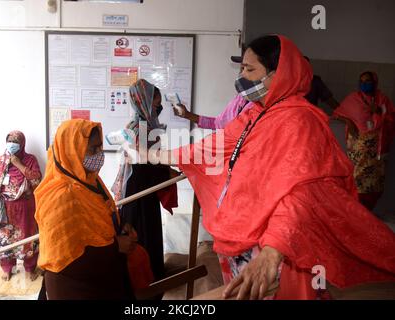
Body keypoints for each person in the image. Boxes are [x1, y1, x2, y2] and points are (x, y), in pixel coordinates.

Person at [152, 35, 395, 299]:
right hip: (246, 237)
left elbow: (300, 195)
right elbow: (214, 145)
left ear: (277, 75)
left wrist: (273, 249)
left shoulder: (300, 123)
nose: (242, 75)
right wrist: (156, 155)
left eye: (249, 69)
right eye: (242, 67)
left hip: (274, 248)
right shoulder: (256, 113)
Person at [34, 119, 137, 300]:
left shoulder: (89, 180)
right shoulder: (60, 197)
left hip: (101, 279)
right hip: (75, 289)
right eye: (92, 149)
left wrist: (120, 226)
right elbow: (63, 259)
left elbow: (100, 215)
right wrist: (116, 247)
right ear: (71, 150)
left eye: (100, 148)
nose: (99, 154)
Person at [112, 79, 179, 284]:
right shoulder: (141, 128)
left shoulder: (143, 124)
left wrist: (168, 170)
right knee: (142, 234)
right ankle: (147, 279)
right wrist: (168, 173)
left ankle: (151, 274)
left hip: (143, 188)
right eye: (156, 103)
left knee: (147, 231)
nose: (159, 107)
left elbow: (151, 160)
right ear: (144, 102)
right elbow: (143, 166)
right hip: (139, 192)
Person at [0, 130, 42, 281]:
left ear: (22, 144)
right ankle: (8, 268)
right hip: (4, 210)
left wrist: (18, 164)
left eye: (16, 142)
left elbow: (37, 181)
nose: (12, 144)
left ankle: (29, 269)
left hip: (26, 209)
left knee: (28, 240)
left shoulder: (30, 160)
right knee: (5, 240)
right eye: (10, 141)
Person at [333, 71, 395, 211]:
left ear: (375, 82)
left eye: (368, 81)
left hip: (377, 154)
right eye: (361, 81)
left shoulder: (382, 100)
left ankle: (368, 212)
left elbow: (391, 119)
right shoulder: (353, 99)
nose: (364, 84)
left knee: (374, 184)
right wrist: (348, 121)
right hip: (358, 152)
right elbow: (337, 114)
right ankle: (356, 212)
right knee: (356, 180)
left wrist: (378, 111)